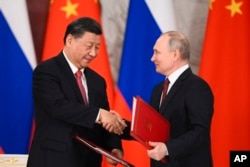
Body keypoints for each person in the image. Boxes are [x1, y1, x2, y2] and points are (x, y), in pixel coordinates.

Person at [27, 17, 126, 167]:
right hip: (54, 160)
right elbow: (58, 107)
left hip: (89, 162)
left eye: (97, 47)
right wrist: (99, 114)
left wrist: (113, 146)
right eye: (89, 46)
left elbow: (103, 121)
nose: (93, 53)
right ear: (70, 40)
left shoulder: (97, 81)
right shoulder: (46, 71)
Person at [146, 31, 214, 167]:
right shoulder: (158, 90)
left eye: (157, 52)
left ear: (175, 54)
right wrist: (120, 125)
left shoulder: (197, 87)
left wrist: (167, 148)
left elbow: (200, 132)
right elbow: (149, 127)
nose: (152, 58)